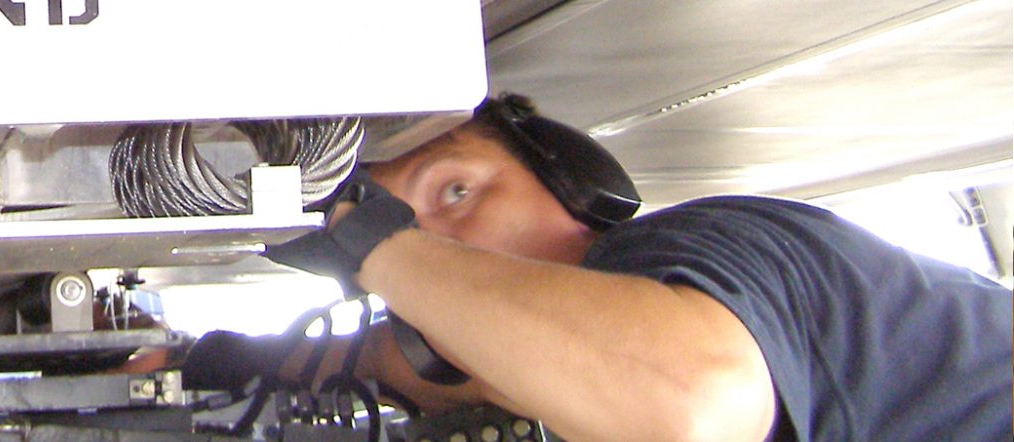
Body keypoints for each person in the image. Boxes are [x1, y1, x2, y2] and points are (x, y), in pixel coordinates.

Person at [187, 94, 1013, 441]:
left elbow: (691, 401)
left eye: (456, 192)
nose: (447, 259)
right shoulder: (554, 359)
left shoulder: (706, 249)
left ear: (572, 183)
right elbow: (397, 363)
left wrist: (374, 243)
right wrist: (217, 358)